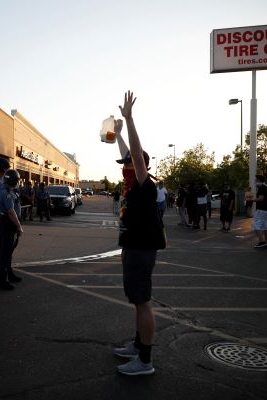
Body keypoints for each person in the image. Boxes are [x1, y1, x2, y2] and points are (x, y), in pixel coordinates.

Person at [112, 91, 165, 376]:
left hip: (142, 249)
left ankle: (145, 361)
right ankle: (137, 345)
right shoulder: (132, 186)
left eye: (129, 164)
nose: (124, 168)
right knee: (136, 300)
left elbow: (134, 154)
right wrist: (118, 133)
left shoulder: (146, 185)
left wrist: (129, 121)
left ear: (139, 165)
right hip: (133, 247)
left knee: (142, 302)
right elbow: (126, 154)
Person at [0, 169, 23, 290]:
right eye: (16, 180)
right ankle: (3, 280)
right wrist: (19, 226)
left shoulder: (11, 190)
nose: (17, 182)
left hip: (9, 224)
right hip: (7, 224)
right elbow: (11, 212)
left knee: (9, 253)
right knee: (5, 253)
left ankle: (9, 274)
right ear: (11, 180)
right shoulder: (5, 192)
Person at [252, 173, 267, 249]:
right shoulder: (265, 187)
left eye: (255, 180)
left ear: (259, 180)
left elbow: (260, 199)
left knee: (256, 225)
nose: (254, 181)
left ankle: (262, 242)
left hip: (261, 210)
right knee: (266, 226)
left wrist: (251, 200)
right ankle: (266, 243)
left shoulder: (262, 188)